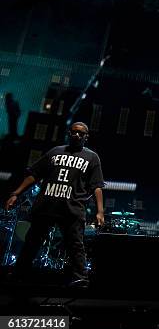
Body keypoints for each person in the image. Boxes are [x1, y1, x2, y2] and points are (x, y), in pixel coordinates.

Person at [4, 122, 104, 287]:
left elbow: (97, 186)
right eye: (73, 132)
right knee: (32, 241)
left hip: (72, 208)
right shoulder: (55, 151)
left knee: (75, 244)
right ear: (68, 133)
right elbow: (34, 174)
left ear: (86, 137)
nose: (76, 135)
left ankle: (80, 277)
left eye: (80, 133)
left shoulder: (92, 157)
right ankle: (19, 274)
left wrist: (100, 211)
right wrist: (16, 193)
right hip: (46, 205)